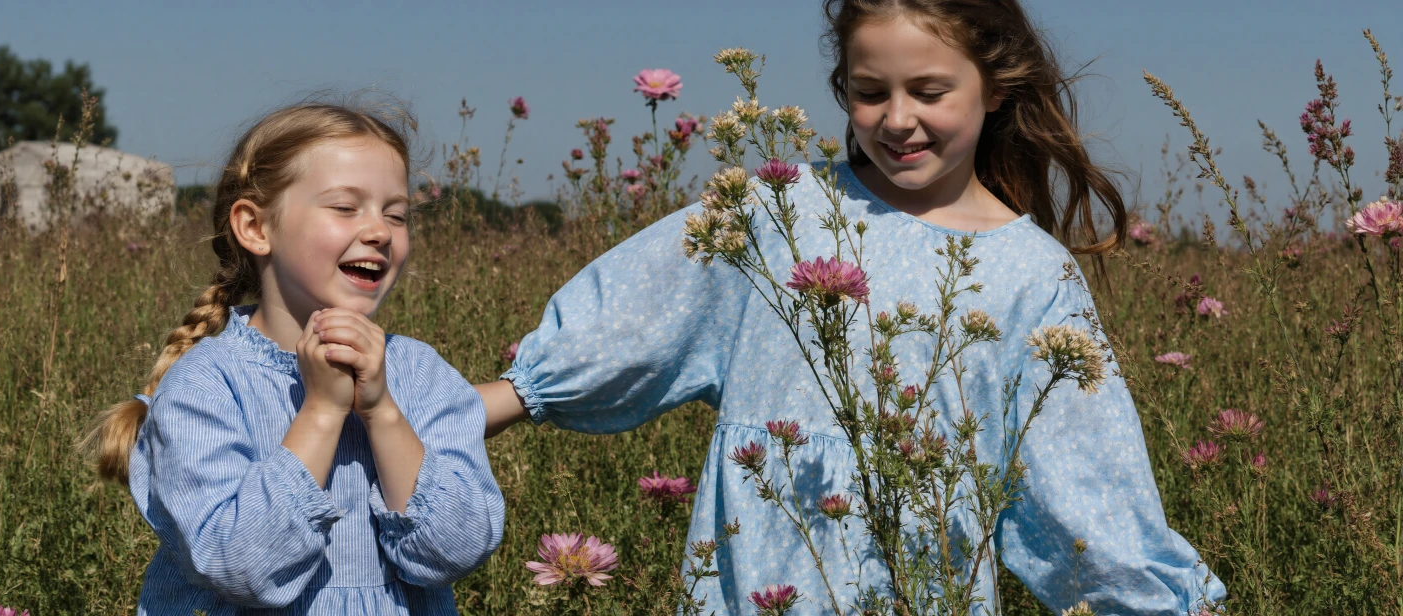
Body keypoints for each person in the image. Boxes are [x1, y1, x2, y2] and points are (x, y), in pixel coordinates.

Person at [479, 0, 1223, 613]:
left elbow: (1084, 487)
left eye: (930, 93)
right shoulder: (779, 207)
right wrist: (477, 405)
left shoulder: (1034, 275)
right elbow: (634, 317)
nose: (897, 119)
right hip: (754, 586)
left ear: (995, 88)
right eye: (871, 92)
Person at [83, 103, 503, 615]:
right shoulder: (207, 386)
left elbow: (456, 552)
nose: (379, 231)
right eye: (346, 207)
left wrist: (384, 413)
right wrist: (323, 412)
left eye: (396, 214)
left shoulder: (422, 376)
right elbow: (243, 567)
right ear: (256, 228)